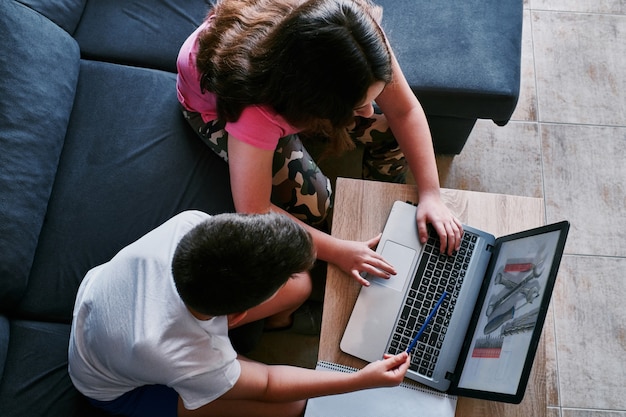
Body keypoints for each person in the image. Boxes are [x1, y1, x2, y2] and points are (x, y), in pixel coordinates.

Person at [176, 0, 463, 287]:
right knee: (315, 202)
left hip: (290, 86)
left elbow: (404, 111)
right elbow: (254, 209)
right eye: (359, 105)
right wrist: (337, 251)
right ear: (317, 104)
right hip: (219, 108)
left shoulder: (355, 35)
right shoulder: (253, 110)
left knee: (389, 131)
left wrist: (431, 194)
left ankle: (384, 197)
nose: (368, 111)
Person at [68, 211, 411, 417]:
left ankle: (275, 327)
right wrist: (360, 380)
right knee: (292, 406)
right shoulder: (187, 356)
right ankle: (233, 369)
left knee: (300, 287)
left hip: (108, 303)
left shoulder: (192, 224)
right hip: (114, 388)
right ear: (237, 316)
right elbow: (268, 385)